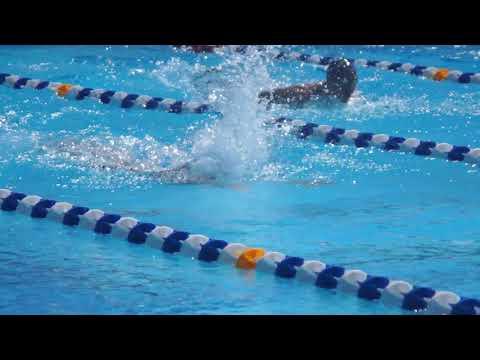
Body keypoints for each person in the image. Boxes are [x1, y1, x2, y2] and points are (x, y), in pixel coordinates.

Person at [258, 58, 357, 106]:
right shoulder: (305, 94)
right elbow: (265, 95)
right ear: (330, 83)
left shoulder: (349, 92)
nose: (348, 91)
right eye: (344, 87)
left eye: (351, 85)